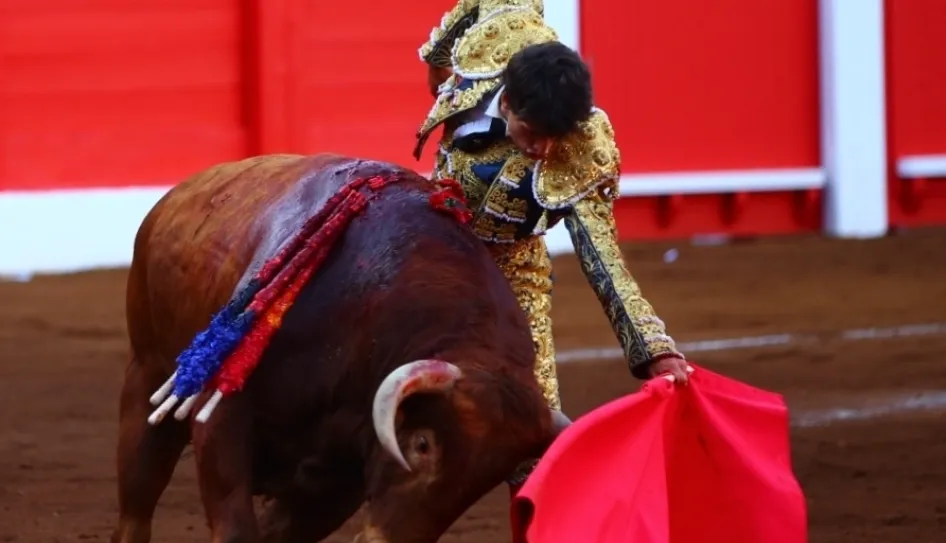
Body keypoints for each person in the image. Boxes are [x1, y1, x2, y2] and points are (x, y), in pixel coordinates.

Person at [414, 0, 692, 529]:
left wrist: (653, 350)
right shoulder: (498, 25)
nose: (543, 150)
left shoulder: (586, 144)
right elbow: (439, 49)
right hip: (433, 248)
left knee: (533, 442)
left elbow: (602, 257)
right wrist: (439, 82)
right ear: (507, 102)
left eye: (554, 137)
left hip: (512, 265)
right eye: (531, 132)